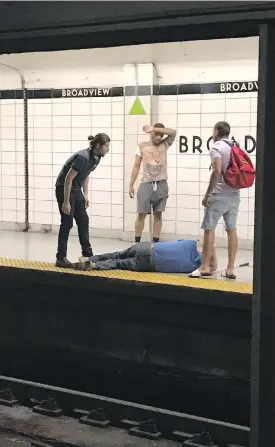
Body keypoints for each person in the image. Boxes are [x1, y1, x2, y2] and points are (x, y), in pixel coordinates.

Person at [190, 121, 240, 279]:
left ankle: (205, 266)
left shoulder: (217, 147)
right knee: (231, 229)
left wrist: (207, 195)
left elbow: (217, 172)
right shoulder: (236, 145)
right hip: (235, 194)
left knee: (209, 229)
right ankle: (230, 269)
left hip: (219, 195)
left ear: (217, 131)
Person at [55, 133, 110, 268]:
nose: (108, 149)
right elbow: (68, 179)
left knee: (83, 220)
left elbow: (86, 175)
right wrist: (66, 201)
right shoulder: (83, 157)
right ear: (98, 145)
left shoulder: (96, 157)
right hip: (64, 188)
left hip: (75, 188)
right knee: (67, 222)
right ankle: (60, 258)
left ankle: (87, 255)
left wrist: (85, 194)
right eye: (107, 146)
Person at [129, 123, 176, 243]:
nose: (159, 138)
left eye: (161, 135)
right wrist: (131, 185)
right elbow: (136, 166)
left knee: (158, 214)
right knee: (141, 214)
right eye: (156, 135)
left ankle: (156, 243)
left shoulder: (165, 144)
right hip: (146, 184)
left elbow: (173, 132)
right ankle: (137, 242)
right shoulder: (142, 146)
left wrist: (154, 128)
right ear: (151, 134)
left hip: (161, 184)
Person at [74, 240, 217, 274]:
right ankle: (94, 266)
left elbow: (205, 243)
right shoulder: (192, 268)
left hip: (148, 247)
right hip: (149, 263)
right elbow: (213, 267)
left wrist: (212, 245)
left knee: (117, 254)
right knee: (118, 263)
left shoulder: (190, 243)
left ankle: (90, 259)